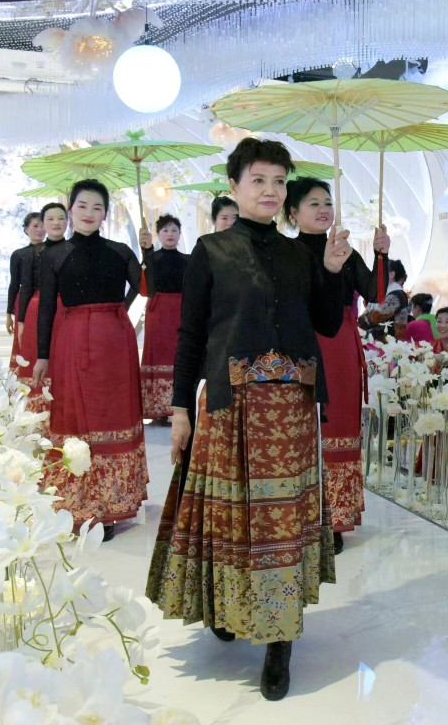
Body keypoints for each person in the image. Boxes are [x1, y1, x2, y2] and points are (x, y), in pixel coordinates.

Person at [147, 137, 352, 701]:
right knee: (232, 518)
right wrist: (180, 408)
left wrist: (332, 270)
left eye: (279, 181)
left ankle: (279, 642)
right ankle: (228, 605)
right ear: (234, 186)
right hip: (229, 405)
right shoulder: (211, 251)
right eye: (258, 180)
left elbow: (325, 324)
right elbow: (191, 335)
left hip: (290, 411)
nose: (270, 190)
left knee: (281, 524)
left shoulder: (300, 253)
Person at [31, 180, 146, 543]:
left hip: (115, 342)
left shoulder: (120, 251)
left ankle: (110, 507)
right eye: (82, 206)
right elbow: (46, 308)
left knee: (113, 415)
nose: (89, 213)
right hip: (71, 341)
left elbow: (148, 288)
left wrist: (150, 252)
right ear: (70, 209)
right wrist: (43, 355)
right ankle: (78, 503)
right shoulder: (54, 256)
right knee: (77, 418)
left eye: (97, 207)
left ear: (106, 214)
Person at [285, 176, 389, 551]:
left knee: (339, 427)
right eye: (313, 203)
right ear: (293, 213)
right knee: (299, 431)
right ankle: (297, 516)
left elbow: (376, 293)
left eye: (327, 202)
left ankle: (334, 521)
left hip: (341, 347)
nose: (323, 209)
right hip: (300, 345)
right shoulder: (287, 252)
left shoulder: (346, 250)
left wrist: (380, 254)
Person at [16, 202, 67, 430]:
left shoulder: (72, 249)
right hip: (38, 310)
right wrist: (21, 321)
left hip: (66, 311)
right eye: (50, 219)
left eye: (61, 218)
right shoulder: (33, 253)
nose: (56, 223)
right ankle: (38, 416)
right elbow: (26, 286)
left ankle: (63, 410)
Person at [138, 214, 190, 424]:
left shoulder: (189, 260)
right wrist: (146, 252)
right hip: (158, 312)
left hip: (181, 311)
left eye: (174, 230)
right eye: (165, 230)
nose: (170, 234)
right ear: (158, 234)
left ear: (179, 234)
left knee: (179, 355)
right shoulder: (150, 259)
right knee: (158, 354)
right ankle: (157, 410)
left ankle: (179, 406)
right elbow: (144, 288)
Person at [6, 213, 45, 368]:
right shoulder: (18, 254)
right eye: (35, 226)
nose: (40, 229)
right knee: (24, 340)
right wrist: (8, 314)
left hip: (48, 301)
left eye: (42, 225)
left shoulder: (54, 251)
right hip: (24, 304)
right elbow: (14, 284)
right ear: (26, 229)